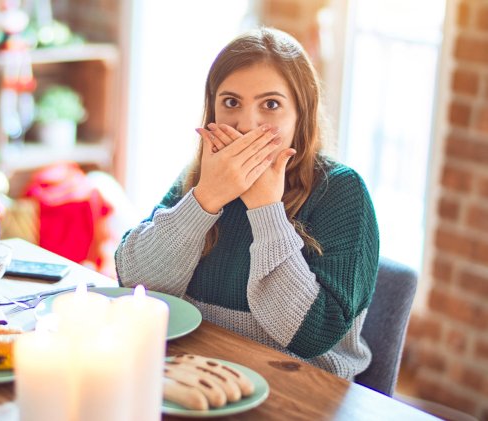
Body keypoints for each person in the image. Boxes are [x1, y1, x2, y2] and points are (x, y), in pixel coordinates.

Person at [115, 27, 379, 380]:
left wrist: (266, 209)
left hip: (300, 387)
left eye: (271, 105)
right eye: (231, 103)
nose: (247, 125)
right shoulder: (202, 177)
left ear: (301, 113)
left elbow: (311, 336)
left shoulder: (342, 191)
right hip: (195, 372)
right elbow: (135, 284)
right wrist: (205, 199)